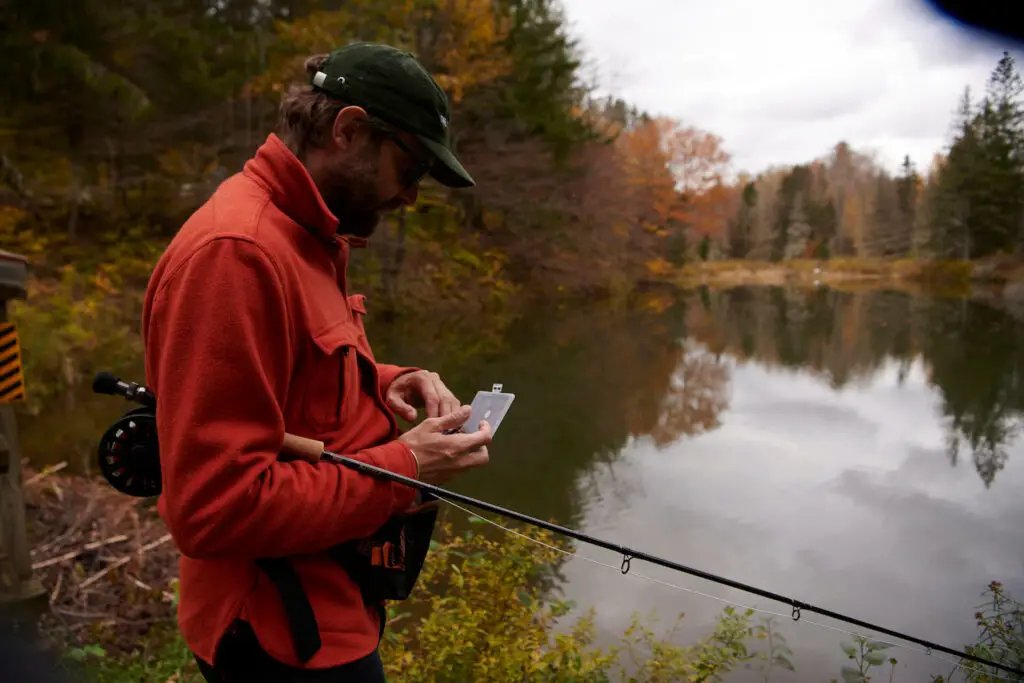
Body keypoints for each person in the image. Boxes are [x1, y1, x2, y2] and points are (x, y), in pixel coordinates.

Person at [141, 42, 493, 682]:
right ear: (349, 130)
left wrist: (389, 379)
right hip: (281, 636)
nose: (410, 197)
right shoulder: (237, 253)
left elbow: (293, 379)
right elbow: (215, 507)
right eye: (409, 170)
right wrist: (408, 464)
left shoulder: (308, 235)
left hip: (330, 605)